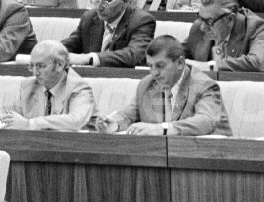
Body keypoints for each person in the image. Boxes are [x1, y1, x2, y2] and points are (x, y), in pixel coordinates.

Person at [96, 35, 233, 136]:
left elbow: (205, 121)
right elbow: (129, 115)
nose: (154, 73)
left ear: (180, 63)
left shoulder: (204, 86)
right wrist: (114, 124)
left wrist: (163, 128)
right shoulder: (147, 84)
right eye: (150, 66)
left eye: (160, 66)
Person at [0, 40, 94, 131]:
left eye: (40, 66)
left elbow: (75, 121)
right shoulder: (29, 85)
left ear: (60, 65)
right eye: (32, 66)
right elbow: (11, 112)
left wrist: (30, 124)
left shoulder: (79, 87)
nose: (35, 72)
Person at [64, 0, 156, 67]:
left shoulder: (142, 21)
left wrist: (91, 58)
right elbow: (69, 46)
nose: (99, 7)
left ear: (125, 1)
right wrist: (53, 50)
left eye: (106, 2)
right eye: (96, 1)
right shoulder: (90, 17)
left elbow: (135, 55)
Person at [183, 0, 264, 72]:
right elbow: (175, 54)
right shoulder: (199, 27)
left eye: (209, 21)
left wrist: (211, 66)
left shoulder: (256, 27)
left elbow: (258, 63)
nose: (203, 27)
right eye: (200, 18)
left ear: (230, 19)